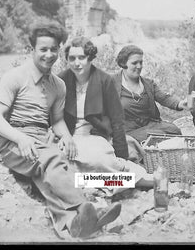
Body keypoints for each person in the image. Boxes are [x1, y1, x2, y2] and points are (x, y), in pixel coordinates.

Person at [0, 24, 121, 239]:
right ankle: (87, 208)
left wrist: (67, 137)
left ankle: (73, 223)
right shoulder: (14, 77)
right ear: (31, 49)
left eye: (53, 49)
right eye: (43, 49)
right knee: (52, 160)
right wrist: (20, 138)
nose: (49, 55)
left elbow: (57, 120)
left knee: (59, 166)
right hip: (14, 141)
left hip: (42, 139)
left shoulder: (58, 85)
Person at [58, 37, 153, 187]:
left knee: (99, 161)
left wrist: (122, 155)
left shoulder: (104, 80)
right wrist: (62, 136)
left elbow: (117, 120)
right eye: (72, 58)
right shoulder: (61, 80)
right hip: (68, 137)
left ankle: (94, 182)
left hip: (94, 136)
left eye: (81, 58)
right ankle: (99, 182)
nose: (77, 63)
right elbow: (54, 117)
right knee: (60, 163)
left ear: (90, 58)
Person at [113, 45, 186, 146]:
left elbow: (164, 98)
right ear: (123, 64)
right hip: (128, 130)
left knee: (174, 130)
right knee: (157, 137)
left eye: (141, 62)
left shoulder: (148, 83)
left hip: (149, 124)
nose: (139, 66)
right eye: (134, 63)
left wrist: (181, 104)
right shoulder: (111, 83)